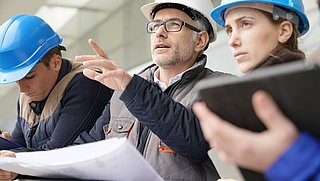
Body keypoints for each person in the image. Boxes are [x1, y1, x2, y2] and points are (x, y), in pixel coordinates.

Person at [73, 0, 235, 180]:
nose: (159, 32)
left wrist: (132, 89)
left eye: (173, 24)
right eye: (155, 25)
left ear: (200, 40)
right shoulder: (123, 91)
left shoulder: (222, 88)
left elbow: (196, 143)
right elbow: (90, 145)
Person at [193, 0, 320, 180]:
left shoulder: (311, 90)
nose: (232, 41)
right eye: (229, 30)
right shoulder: (246, 95)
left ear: (284, 31)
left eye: (245, 24)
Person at [0, 15, 113, 151]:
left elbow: (56, 153)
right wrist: (6, 149)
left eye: (29, 76)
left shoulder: (86, 83)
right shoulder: (26, 98)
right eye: (17, 80)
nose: (23, 89)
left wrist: (13, 155)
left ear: (55, 62)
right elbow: (20, 148)